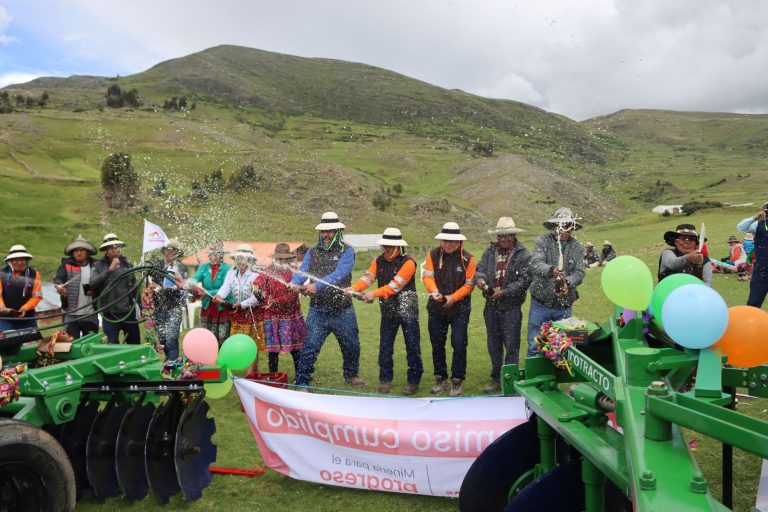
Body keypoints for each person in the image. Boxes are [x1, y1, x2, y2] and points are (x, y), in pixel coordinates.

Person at [288, 212, 365, 388]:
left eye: (329, 231)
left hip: (342, 309)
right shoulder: (312, 252)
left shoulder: (347, 251)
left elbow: (340, 275)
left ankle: (351, 375)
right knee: (309, 347)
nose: (325, 235)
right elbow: (303, 272)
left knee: (352, 345)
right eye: (323, 231)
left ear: (337, 231)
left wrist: (316, 286)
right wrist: (294, 283)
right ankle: (303, 382)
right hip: (318, 310)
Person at [347, 228, 423, 395]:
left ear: (397, 246)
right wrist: (354, 288)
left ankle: (413, 381)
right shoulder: (378, 260)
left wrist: (373, 294)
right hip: (388, 310)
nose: (385, 249)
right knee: (385, 346)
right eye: (384, 246)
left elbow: (395, 286)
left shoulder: (408, 262)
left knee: (412, 346)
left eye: (389, 246)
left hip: (407, 309)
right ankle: (385, 380)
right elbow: (368, 277)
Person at [476, 217, 532, 393]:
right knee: (493, 344)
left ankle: (510, 380)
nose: (505, 239)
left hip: (511, 306)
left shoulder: (523, 254)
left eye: (508, 235)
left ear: (514, 235)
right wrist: (481, 280)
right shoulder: (489, 251)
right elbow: (480, 269)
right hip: (491, 305)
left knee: (511, 344)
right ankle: (495, 378)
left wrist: (505, 291)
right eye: (502, 236)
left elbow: (525, 280)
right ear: (497, 236)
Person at [422, 222, 476, 397]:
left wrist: (453, 298)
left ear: (459, 241)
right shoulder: (432, 255)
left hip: (460, 310)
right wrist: (434, 291)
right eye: (445, 240)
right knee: (437, 344)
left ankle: (457, 380)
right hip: (436, 309)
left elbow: (469, 285)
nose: (448, 244)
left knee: (459, 344)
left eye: (452, 241)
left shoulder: (468, 258)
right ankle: (441, 378)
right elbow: (427, 277)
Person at [527, 207, 586, 357]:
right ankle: (534, 378)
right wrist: (551, 270)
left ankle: (554, 377)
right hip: (540, 303)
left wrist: (568, 282)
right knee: (535, 345)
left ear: (572, 228)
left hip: (564, 305)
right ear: (554, 226)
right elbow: (535, 263)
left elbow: (579, 272)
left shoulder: (578, 247)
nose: (563, 229)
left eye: (567, 226)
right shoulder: (542, 241)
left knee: (560, 346)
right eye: (560, 225)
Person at [254, 243, 306, 375]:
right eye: (279, 258)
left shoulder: (294, 272)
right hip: (273, 317)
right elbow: (256, 286)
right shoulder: (268, 271)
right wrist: (262, 297)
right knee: (273, 350)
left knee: (296, 349)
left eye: (284, 258)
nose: (282, 261)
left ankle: (300, 377)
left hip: (291, 315)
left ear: (288, 259)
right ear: (275, 259)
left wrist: (276, 301)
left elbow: (294, 294)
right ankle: (273, 377)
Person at [213, 244, 263, 375]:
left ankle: (251, 372)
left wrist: (242, 304)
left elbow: (257, 298)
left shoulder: (256, 275)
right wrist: (219, 296)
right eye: (239, 258)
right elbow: (225, 288)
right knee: (237, 342)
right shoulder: (231, 273)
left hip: (253, 313)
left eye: (244, 258)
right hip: (238, 312)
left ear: (250, 260)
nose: (241, 261)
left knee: (252, 343)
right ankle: (238, 367)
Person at [91, 233, 140, 344]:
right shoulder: (98, 265)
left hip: (128, 312)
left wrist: (139, 305)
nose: (115, 250)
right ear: (106, 251)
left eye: (117, 247)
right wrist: (109, 270)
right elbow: (93, 283)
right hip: (110, 314)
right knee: (112, 346)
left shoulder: (127, 264)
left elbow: (134, 287)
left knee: (135, 343)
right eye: (111, 248)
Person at [54, 235, 99, 339]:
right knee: (70, 345)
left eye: (81, 250)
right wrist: (59, 286)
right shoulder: (65, 265)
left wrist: (95, 291)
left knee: (90, 344)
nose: (78, 253)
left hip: (90, 313)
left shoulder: (96, 265)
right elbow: (58, 279)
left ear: (87, 252)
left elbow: (102, 284)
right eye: (75, 251)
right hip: (70, 314)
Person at [151, 239, 188, 360]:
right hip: (159, 307)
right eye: (169, 249)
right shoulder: (157, 265)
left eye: (174, 250)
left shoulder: (181, 267)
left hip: (174, 307)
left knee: (171, 339)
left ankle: (173, 367)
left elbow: (182, 285)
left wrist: (163, 287)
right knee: (161, 339)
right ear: (165, 251)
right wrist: (154, 286)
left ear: (178, 253)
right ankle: (167, 363)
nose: (171, 252)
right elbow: (151, 282)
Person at [192, 242, 232, 344]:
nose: (213, 257)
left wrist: (206, 292)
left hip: (221, 307)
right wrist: (191, 287)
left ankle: (222, 358)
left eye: (216, 254)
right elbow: (194, 280)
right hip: (207, 307)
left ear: (221, 255)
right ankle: (207, 357)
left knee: (222, 338)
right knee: (207, 338)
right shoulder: (204, 267)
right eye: (211, 254)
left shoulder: (227, 269)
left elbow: (226, 287)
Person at [0, 244, 42, 331]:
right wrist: (1, 305)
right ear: (10, 261)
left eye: (22, 260)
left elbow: (37, 296)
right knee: (5, 343)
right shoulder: (1, 274)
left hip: (27, 319)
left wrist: (25, 308)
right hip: (5, 319)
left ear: (26, 260)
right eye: (16, 260)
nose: (19, 262)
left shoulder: (34, 274)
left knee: (32, 343)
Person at [737, 203, 768, 307]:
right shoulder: (758, 224)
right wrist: (755, 218)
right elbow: (741, 227)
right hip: (761, 270)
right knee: (754, 302)